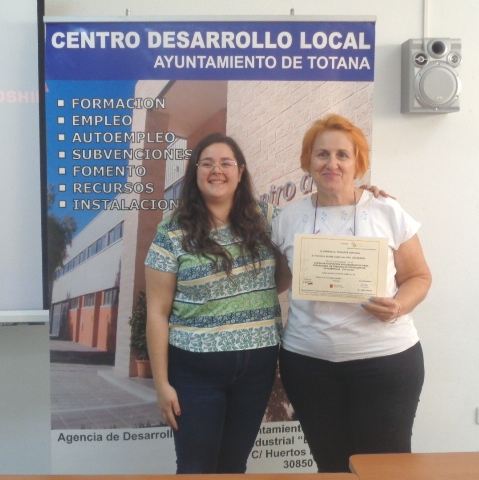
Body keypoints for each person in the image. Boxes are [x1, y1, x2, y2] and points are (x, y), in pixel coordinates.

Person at [272, 114, 432, 472]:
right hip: (309, 366)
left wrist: (398, 306)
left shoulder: (387, 211)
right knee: (331, 466)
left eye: (343, 155)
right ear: (308, 161)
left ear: (357, 162)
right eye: (322, 154)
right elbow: (280, 281)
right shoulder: (288, 218)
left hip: (386, 363)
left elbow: (419, 276)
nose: (332, 164)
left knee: (386, 468)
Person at [143, 133, 285, 474]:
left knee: (233, 466)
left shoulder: (268, 217)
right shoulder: (172, 231)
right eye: (206, 163)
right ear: (195, 173)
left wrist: (363, 198)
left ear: (240, 172)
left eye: (225, 163)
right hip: (194, 372)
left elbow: (313, 237)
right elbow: (157, 313)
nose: (216, 170)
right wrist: (162, 385)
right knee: (195, 468)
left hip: (258, 365)